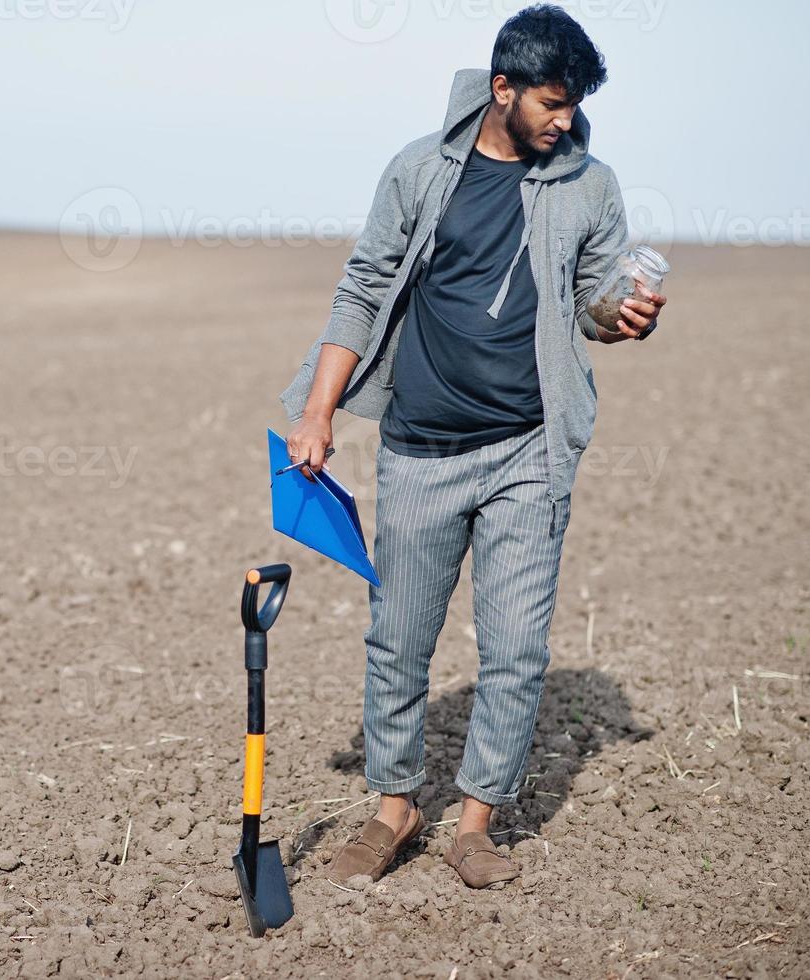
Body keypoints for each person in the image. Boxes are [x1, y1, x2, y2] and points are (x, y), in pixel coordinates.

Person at [280, 4, 668, 890]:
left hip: (529, 449)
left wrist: (623, 317)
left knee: (515, 649)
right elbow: (362, 287)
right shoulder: (420, 170)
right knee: (398, 638)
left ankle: (476, 823)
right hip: (420, 448)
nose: (565, 119)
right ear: (503, 89)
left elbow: (594, 301)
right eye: (551, 102)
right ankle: (394, 809)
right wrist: (317, 413)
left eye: (573, 104)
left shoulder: (589, 184)